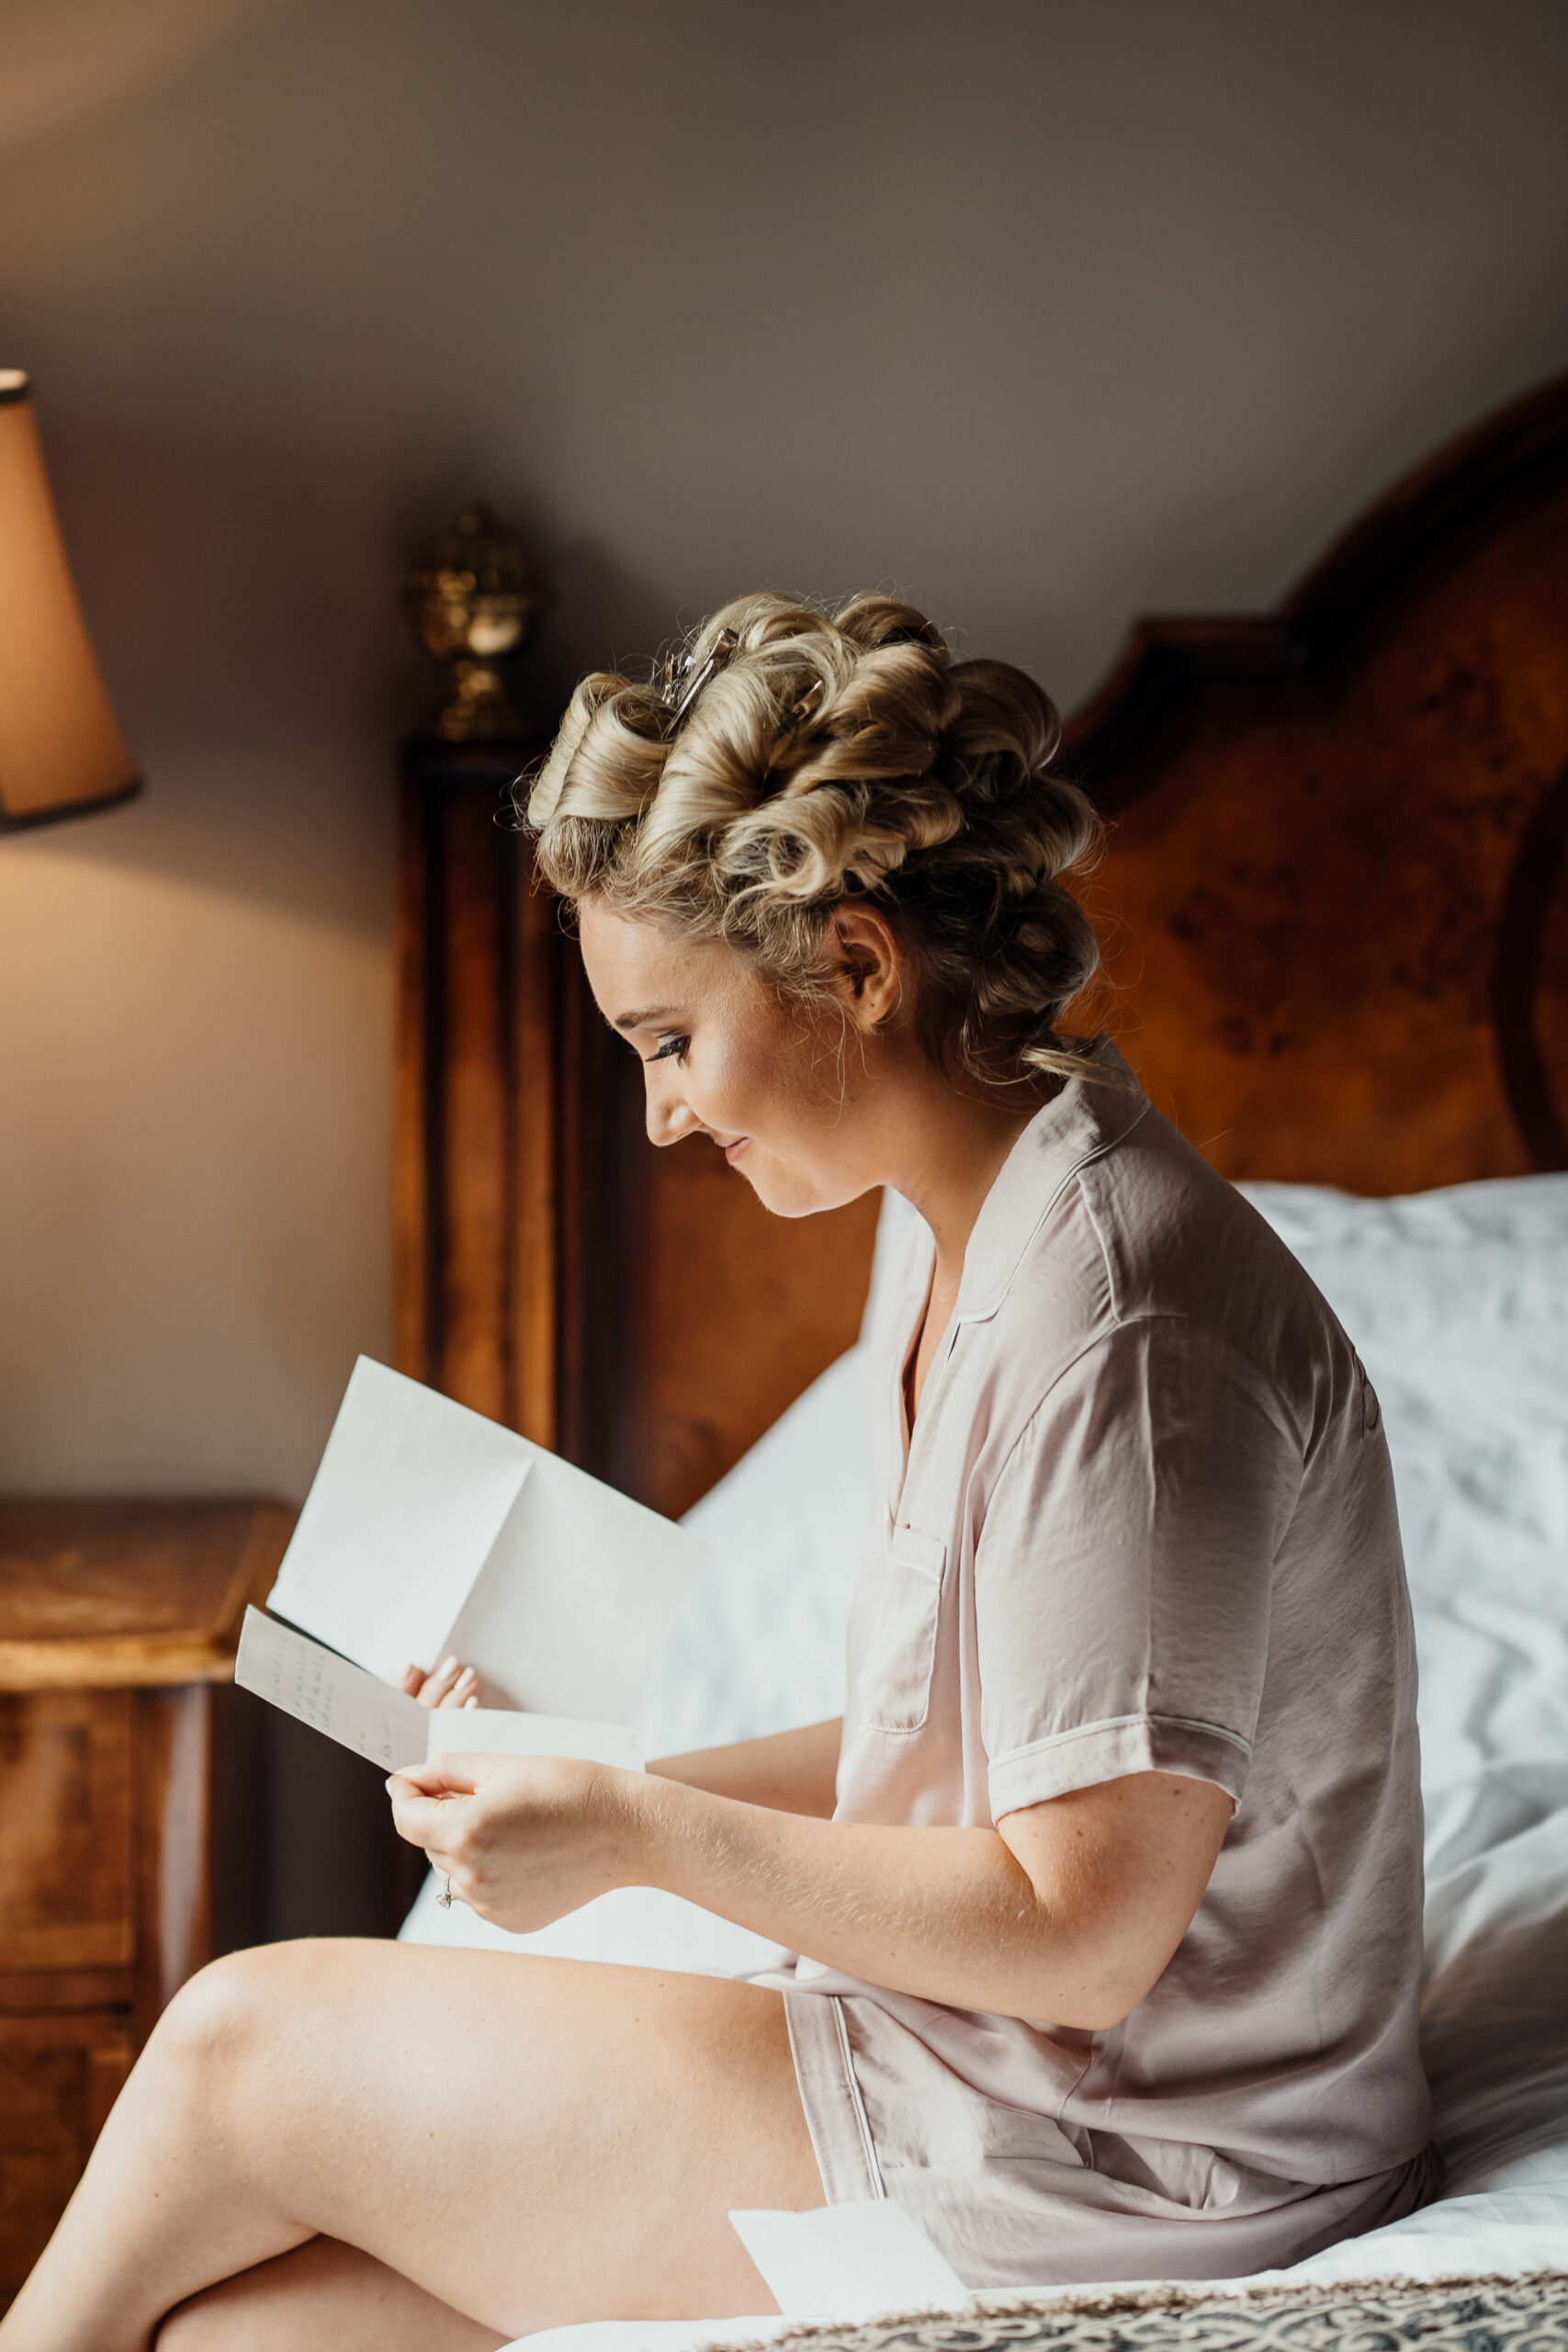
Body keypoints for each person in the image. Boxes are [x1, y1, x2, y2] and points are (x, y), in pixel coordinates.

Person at [0, 595, 1436, 2352]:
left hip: (1133, 2159)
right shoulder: (966, 1220)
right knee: (244, 2337)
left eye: (673, 1041)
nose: (665, 1115)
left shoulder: (1119, 1329)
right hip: (1023, 2079)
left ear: (852, 963)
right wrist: (573, 1780)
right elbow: (986, 1749)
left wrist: (639, 1832)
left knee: (235, 2047)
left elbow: (1076, 1931)